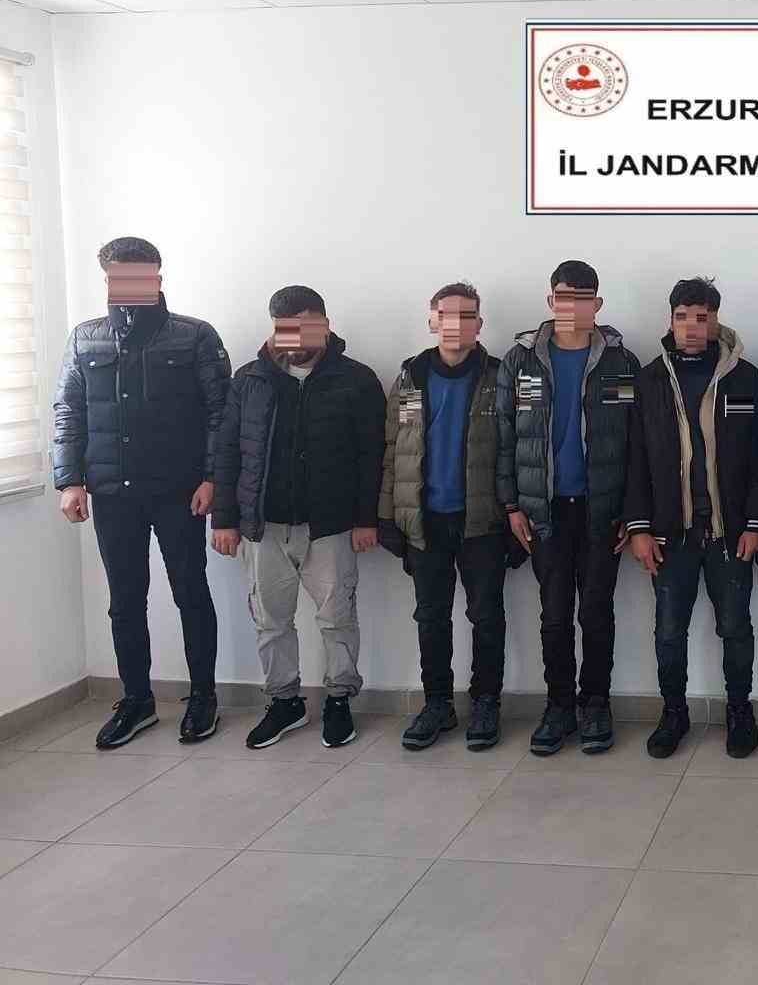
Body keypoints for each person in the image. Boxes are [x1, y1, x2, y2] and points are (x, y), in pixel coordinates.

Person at [52, 236, 230, 748]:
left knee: (190, 592)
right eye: (120, 277)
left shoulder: (194, 336)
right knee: (125, 600)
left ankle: (203, 697)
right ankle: (136, 700)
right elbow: (68, 410)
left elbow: (221, 413)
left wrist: (212, 478)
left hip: (179, 490)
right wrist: (69, 480)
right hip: (112, 492)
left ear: (157, 277)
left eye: (141, 276)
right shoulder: (85, 338)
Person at [211, 286, 386, 750]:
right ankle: (284, 702)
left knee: (337, 618)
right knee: (270, 621)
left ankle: (339, 699)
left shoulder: (357, 380)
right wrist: (223, 519)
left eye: (304, 326)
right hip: (263, 526)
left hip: (330, 524)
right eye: (284, 328)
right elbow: (227, 452)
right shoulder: (250, 380)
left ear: (324, 325)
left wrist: (367, 518)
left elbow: (373, 456)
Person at [497, 261, 640, 756]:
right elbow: (505, 438)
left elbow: (632, 441)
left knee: (596, 612)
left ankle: (595, 704)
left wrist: (630, 512)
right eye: (564, 296)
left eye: (583, 297)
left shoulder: (619, 362)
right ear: (550, 300)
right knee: (554, 615)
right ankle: (559, 705)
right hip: (545, 512)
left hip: (601, 511)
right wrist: (512, 505)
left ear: (597, 304)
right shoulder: (521, 361)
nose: (573, 306)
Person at [624, 278, 758, 759]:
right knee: (669, 631)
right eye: (682, 317)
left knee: (735, 627)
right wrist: (639, 527)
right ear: (670, 320)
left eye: (702, 317)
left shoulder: (744, 377)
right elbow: (635, 459)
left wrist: (756, 522)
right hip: (671, 533)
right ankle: (674, 713)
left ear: (716, 320)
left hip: (730, 532)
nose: (691, 326)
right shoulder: (649, 380)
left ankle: (740, 711)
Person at [378, 283, 521, 753]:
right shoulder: (411, 377)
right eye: (446, 314)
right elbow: (395, 449)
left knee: (487, 617)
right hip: (425, 522)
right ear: (431, 320)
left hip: (483, 522)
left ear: (480, 323)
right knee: (431, 617)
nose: (455, 323)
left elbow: (520, 449)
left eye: (467, 315)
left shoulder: (500, 377)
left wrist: (518, 517)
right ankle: (437, 703)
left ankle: (486, 703)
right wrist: (388, 516)